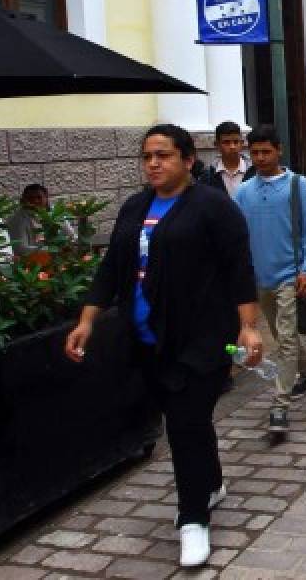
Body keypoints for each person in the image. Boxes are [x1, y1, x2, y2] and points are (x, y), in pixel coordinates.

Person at [65, 125, 262, 568]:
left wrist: (248, 327)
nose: (153, 163)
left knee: (184, 425)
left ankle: (192, 520)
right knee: (186, 419)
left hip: (201, 339)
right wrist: (87, 320)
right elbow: (111, 268)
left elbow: (239, 269)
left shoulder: (212, 207)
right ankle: (210, 484)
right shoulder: (134, 207)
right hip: (147, 340)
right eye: (147, 156)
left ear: (188, 160)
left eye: (164, 155)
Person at [233, 127, 306, 437]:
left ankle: (280, 404)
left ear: (279, 150)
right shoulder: (243, 192)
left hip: (289, 276)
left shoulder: (297, 186)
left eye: (266, 152)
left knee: (284, 340)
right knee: (282, 335)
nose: (260, 158)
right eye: (255, 153)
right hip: (259, 280)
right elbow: (237, 239)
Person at [6, 183, 76, 258]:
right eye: (30, 198)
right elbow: (21, 249)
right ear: (23, 200)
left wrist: (69, 245)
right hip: (32, 262)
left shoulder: (54, 213)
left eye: (39, 197)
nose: (35, 201)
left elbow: (72, 236)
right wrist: (51, 250)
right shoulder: (17, 219)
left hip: (58, 257)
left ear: (46, 198)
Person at [201, 121, 256, 196]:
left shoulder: (254, 170)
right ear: (217, 145)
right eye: (226, 142)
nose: (232, 147)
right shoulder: (208, 174)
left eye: (236, 142)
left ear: (242, 143)